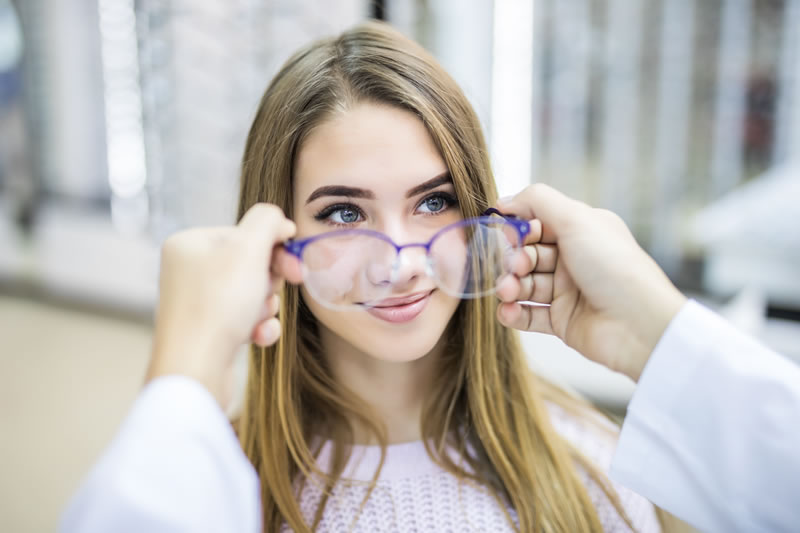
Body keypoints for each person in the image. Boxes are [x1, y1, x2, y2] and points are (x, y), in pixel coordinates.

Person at [60, 21, 800, 533]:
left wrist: (655, 327)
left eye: (435, 201)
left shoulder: (596, 472)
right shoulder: (209, 493)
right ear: (277, 237)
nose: (403, 259)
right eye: (345, 213)